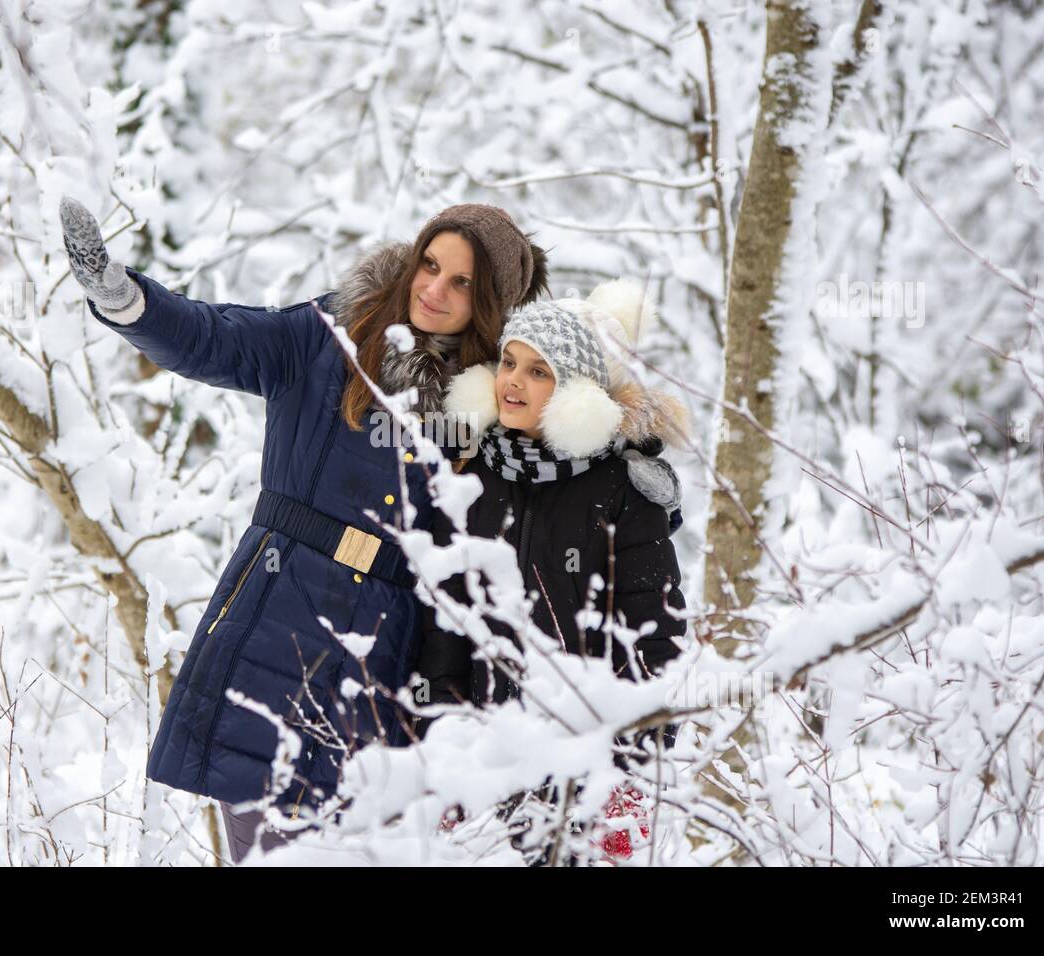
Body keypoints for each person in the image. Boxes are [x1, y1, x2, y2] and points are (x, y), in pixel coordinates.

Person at [58, 196, 549, 862]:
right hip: (275, 623)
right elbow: (214, 335)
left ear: (489, 302)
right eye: (430, 264)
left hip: (386, 664)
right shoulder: (331, 334)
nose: (435, 288)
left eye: (462, 282)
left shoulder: (492, 404)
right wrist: (125, 300)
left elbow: (547, 526)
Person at [414, 281, 691, 862]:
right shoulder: (476, 476)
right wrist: (444, 729)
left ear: (575, 394)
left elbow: (653, 632)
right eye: (510, 362)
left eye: (539, 372)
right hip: (490, 753)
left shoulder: (621, 487)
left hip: (590, 759)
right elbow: (446, 619)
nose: (512, 380)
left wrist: (631, 760)